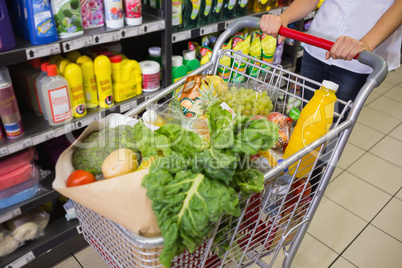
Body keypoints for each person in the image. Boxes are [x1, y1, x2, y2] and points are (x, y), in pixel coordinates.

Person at [260, 0, 402, 114]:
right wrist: (284, 18)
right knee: (307, 112)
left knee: (334, 123)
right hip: (318, 41)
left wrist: (367, 42)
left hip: (358, 57)